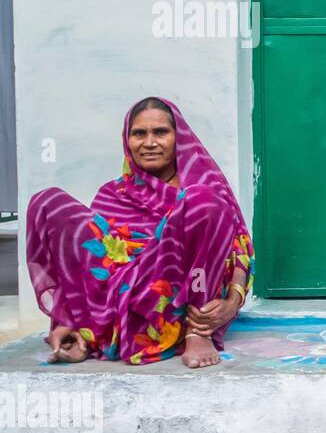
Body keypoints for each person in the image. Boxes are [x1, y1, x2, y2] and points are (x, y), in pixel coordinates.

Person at [25, 96, 254, 368]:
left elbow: (238, 248)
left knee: (201, 201)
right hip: (126, 300)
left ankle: (198, 332)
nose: (149, 143)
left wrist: (232, 302)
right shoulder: (114, 194)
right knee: (47, 201)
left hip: (183, 296)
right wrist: (66, 320)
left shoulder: (202, 186)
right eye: (139, 134)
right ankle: (86, 332)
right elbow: (90, 264)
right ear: (127, 139)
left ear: (178, 137)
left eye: (160, 132)